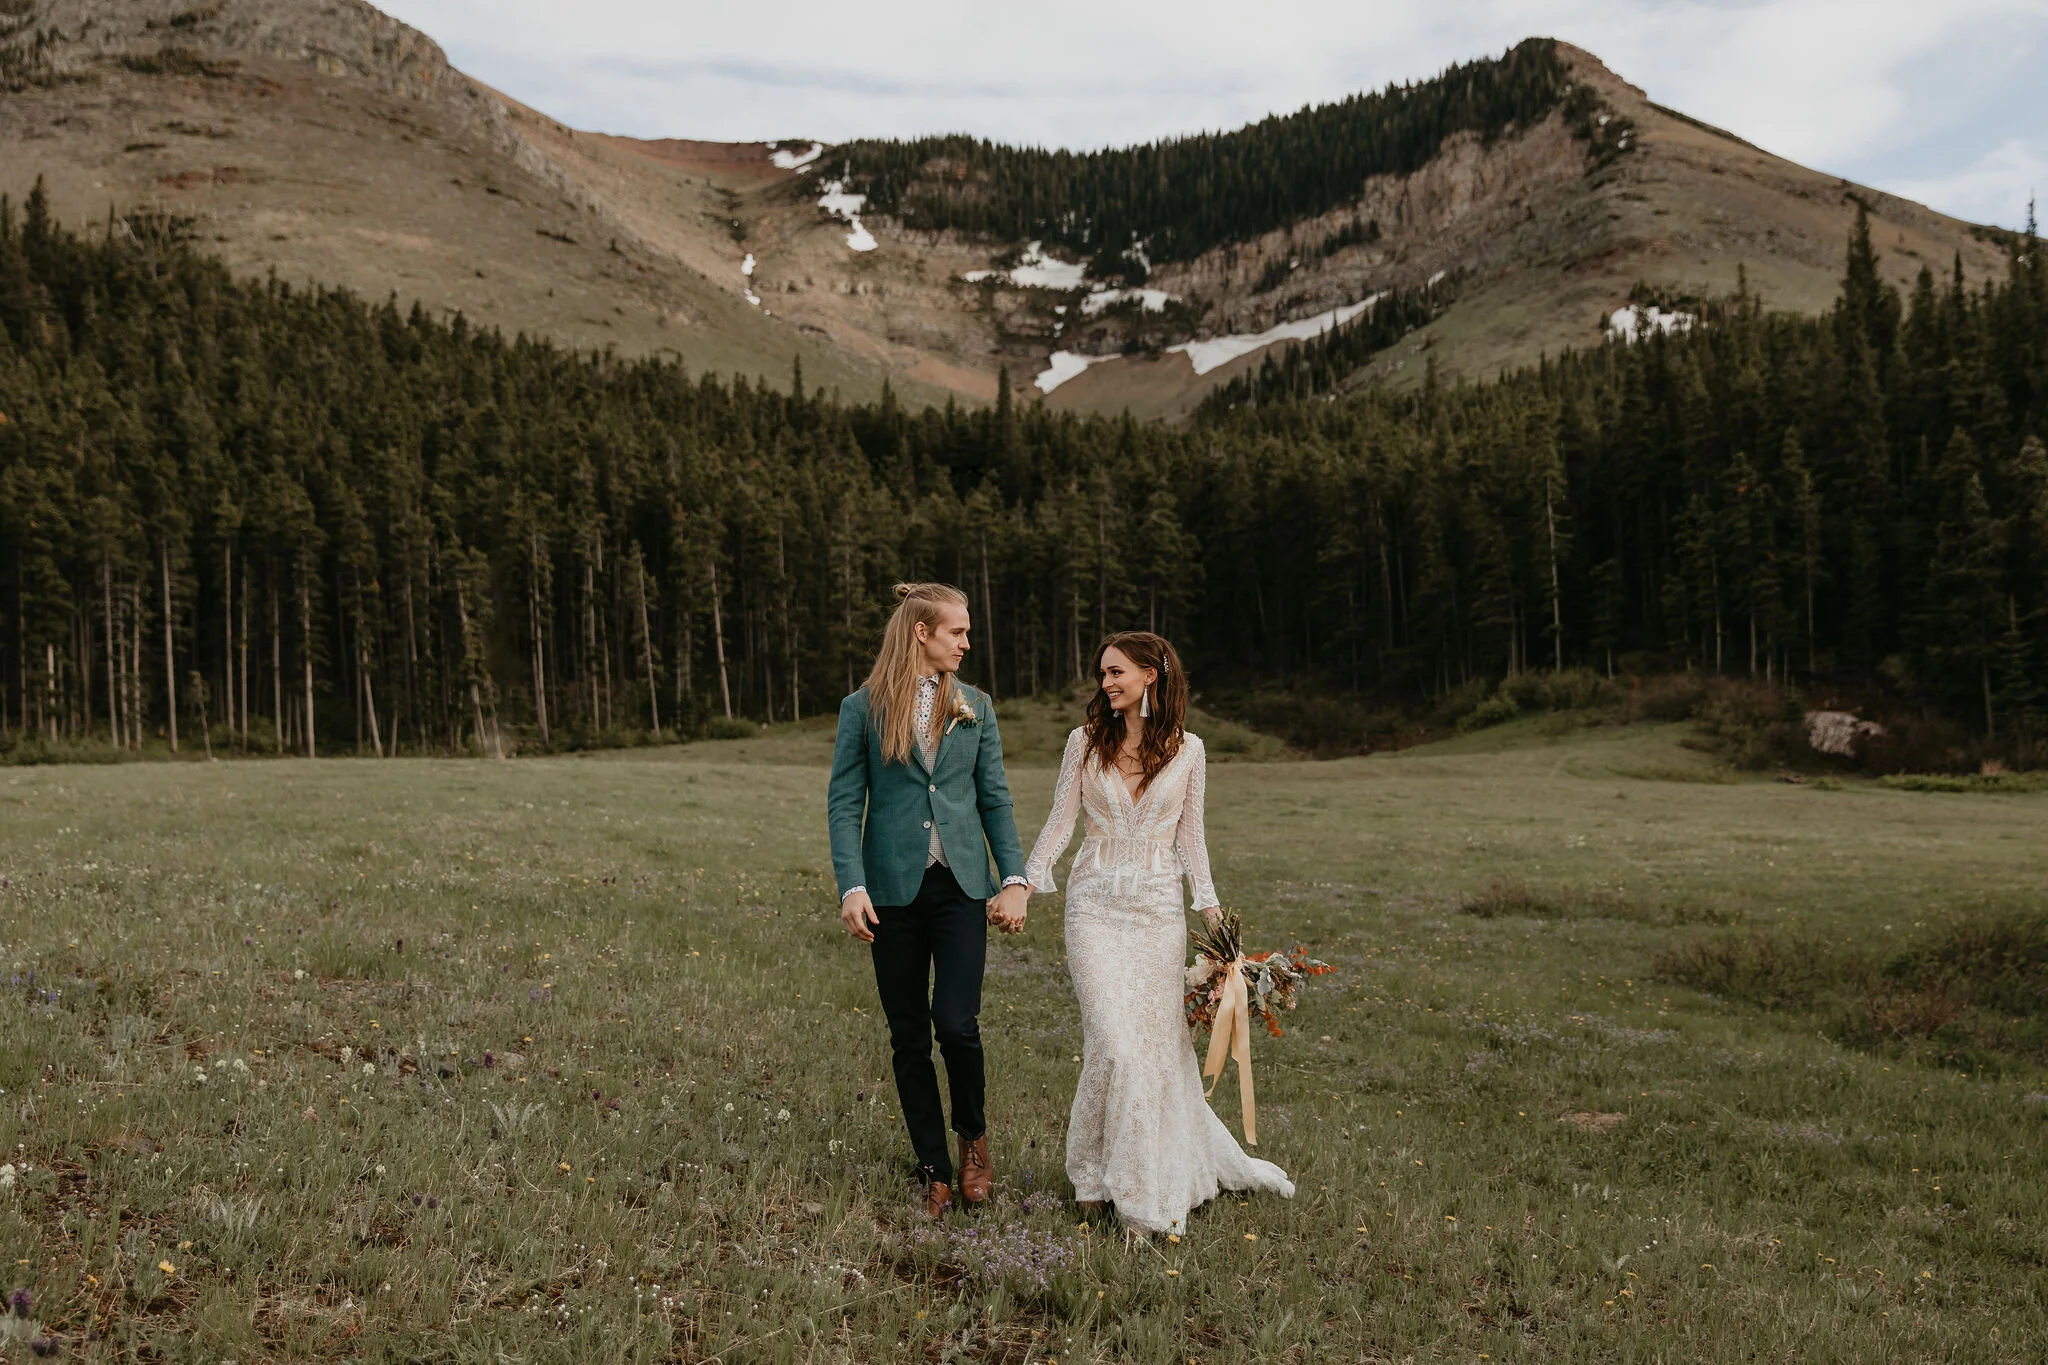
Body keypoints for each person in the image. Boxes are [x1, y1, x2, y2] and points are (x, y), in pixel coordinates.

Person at [1022, 631, 1294, 1234]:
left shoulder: (1190, 750)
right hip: (1093, 909)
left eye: (1117, 671)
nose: (1106, 682)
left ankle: (1128, 1186)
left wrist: (1216, 918)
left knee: (1152, 1050)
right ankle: (1091, 1172)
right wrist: (1025, 881)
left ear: (1153, 674)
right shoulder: (1083, 743)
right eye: (1102, 674)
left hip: (1158, 917)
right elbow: (1058, 823)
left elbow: (1191, 840)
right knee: (1112, 1043)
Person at [828, 583, 1031, 1221]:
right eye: (957, 633)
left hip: (962, 886)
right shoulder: (861, 708)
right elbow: (844, 802)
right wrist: (852, 886)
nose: (968, 643)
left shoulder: (977, 706)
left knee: (956, 1023)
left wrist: (1015, 879)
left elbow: (993, 798)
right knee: (909, 1034)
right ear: (921, 632)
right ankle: (930, 1168)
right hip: (891, 892)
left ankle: (973, 1140)